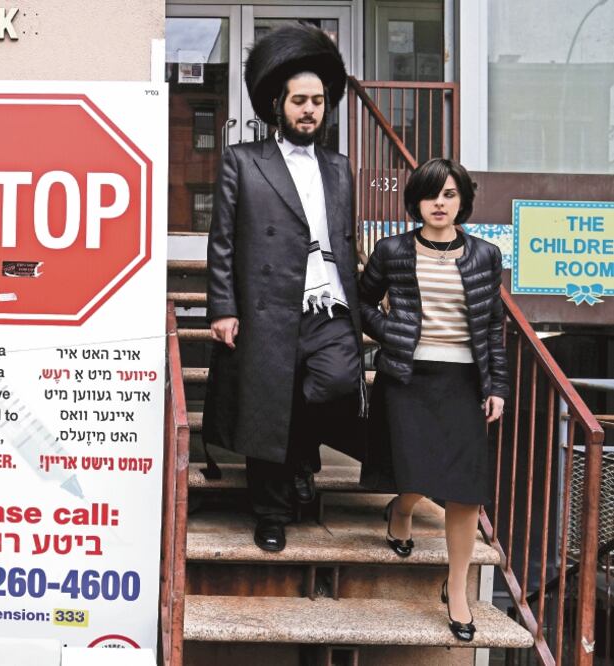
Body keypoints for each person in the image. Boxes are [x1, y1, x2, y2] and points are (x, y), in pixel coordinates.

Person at [202, 21, 366, 553]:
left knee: (339, 384)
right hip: (269, 307)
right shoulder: (243, 162)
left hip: (329, 306)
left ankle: (301, 460)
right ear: (279, 105)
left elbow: (344, 237)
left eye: (318, 101)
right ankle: (271, 514)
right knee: (267, 406)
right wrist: (223, 308)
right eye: (300, 100)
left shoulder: (339, 168)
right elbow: (222, 241)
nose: (310, 110)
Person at [358, 158, 508, 642]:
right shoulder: (393, 251)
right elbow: (361, 303)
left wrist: (497, 387)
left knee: (464, 489)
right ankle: (402, 509)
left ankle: (458, 590)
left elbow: (491, 328)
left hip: (464, 380)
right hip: (408, 377)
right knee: (417, 473)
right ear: (415, 203)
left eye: (448, 194)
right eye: (429, 195)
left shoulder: (485, 255)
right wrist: (391, 332)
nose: (439, 203)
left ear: (462, 199)